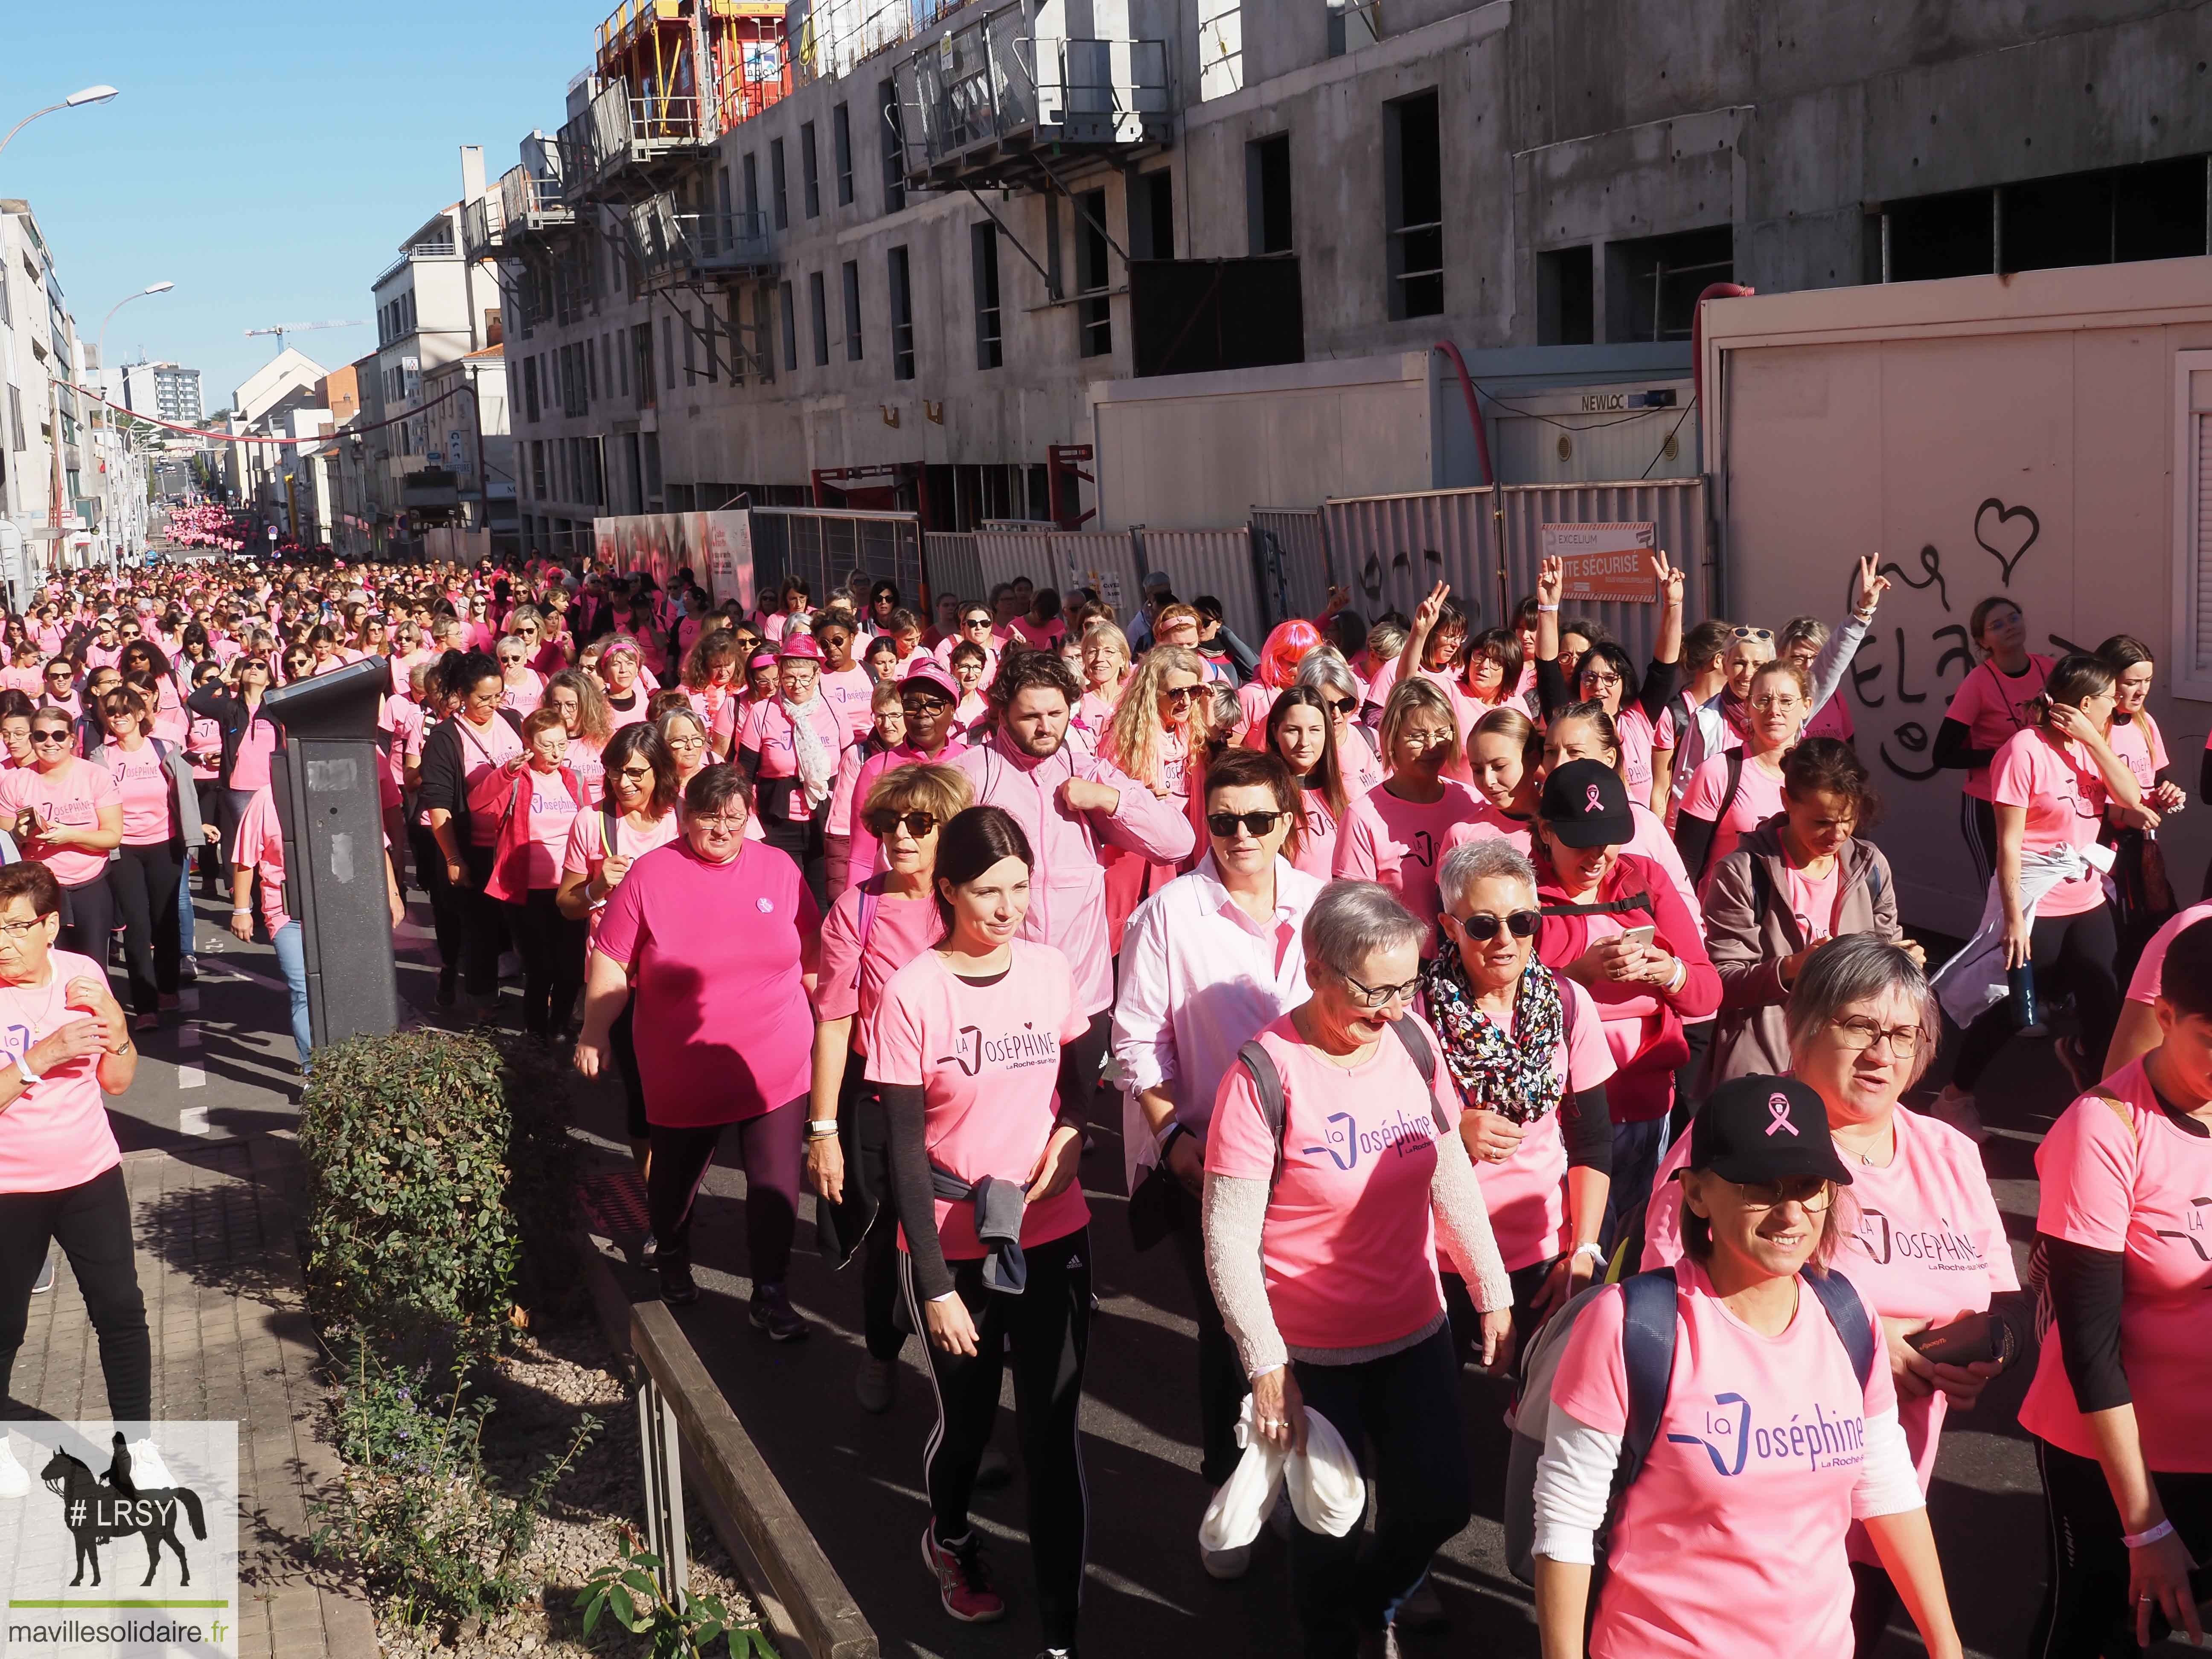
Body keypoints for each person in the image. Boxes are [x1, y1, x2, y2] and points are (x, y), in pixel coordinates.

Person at [1639, 937, 2020, 1653]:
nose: (1881, 1051)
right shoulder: (1737, 1140)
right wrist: (1874, 1343)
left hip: (1886, 1500)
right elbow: (1676, 1309)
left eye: (1903, 1032)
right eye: (1857, 1026)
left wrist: (1971, 1352)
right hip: (1745, 1504)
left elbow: (1989, 1301)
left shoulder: (1947, 1153)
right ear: (1801, 1026)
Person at [1532, 1073, 1965, 1659]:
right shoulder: (1631, 1326)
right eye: (1761, 1187)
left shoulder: (1848, 1313)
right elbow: (1566, 1523)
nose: (1791, 1213)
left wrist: (1946, 1645)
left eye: (1809, 1186)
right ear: (1697, 1194)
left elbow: (1888, 1490)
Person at [1204, 880, 1513, 1658]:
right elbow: (1228, 1238)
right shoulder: (1260, 1075)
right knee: (1326, 1534)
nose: (1392, 1006)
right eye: (1373, 988)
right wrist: (1266, 1365)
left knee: (1439, 1504)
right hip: (1314, 1355)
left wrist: (1490, 1286)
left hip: (1414, 1331)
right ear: (1315, 971)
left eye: (1407, 982)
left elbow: (1446, 1169)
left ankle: (1367, 1606)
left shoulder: (1411, 1041)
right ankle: (1333, 1639)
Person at [866, 806, 1095, 1653]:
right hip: (951, 1244)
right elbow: (901, 1151)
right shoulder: (913, 992)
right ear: (949, 890)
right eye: (989, 891)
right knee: (967, 1425)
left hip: (1051, 1229)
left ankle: (1063, 1632)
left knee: (1050, 1428)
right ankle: (950, 1535)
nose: (1008, 907)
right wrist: (931, 1287)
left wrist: (1074, 1136)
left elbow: (1079, 1083)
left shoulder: (1048, 968)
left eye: (1020, 888)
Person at [1112, 748, 1323, 1573]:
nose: (1239, 835)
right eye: (1223, 819)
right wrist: (1173, 1140)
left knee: (1302, 1328)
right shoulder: (1169, 914)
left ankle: (1299, 1479)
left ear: (1288, 821)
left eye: (1257, 819)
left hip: (1308, 1162)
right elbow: (1134, 1040)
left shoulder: (1318, 905)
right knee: (1231, 1329)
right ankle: (1227, 1486)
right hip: (1210, 1163)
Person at [2018, 916, 2212, 1657]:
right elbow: (2088, 1345)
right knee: (2095, 1631)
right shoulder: (2102, 1127)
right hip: (2112, 1455)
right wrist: (2144, 1522)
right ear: (2162, 1017)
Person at [576, 764, 819, 1336]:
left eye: (734, 817)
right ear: (685, 817)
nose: (722, 829)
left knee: (777, 1184)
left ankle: (771, 1291)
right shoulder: (650, 876)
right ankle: (674, 1259)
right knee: (675, 1183)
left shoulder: (779, 869)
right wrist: (594, 1031)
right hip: (681, 1063)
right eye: (710, 817)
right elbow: (612, 959)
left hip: (776, 1061)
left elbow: (811, 956)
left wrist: (838, 1027)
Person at [806, 763, 972, 1413]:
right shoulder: (859, 907)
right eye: (886, 823)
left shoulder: (974, 900)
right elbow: (835, 1019)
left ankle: (960, 1397)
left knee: (964, 1241)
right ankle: (881, 1353)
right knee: (891, 1241)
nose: (899, 836)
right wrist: (823, 1132)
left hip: (964, 1103)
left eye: (920, 823)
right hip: (882, 1099)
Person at [952, 650, 1195, 1094]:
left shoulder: (1088, 771)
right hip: (999, 991)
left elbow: (1179, 842)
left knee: (1080, 1124)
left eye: (1056, 713)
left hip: (1083, 994)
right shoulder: (971, 774)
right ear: (1002, 713)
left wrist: (1109, 800)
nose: (1045, 727)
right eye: (1030, 716)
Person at [0, 860, 166, 1499]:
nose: (5, 942)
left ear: (50, 926)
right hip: (11, 1188)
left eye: (18, 928)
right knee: (5, 1323)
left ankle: (139, 1448)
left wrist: (117, 1025)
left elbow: (118, 1080)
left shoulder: (83, 974)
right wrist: (41, 1057)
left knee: (121, 1310)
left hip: (90, 1172)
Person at [1932, 655, 2151, 1134]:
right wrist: (2014, 919)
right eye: (2111, 699)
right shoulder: (2022, 750)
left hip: (2087, 896)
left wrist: (2094, 738)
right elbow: (2007, 843)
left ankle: (2104, 1115)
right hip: (2037, 898)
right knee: (2016, 1009)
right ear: (2087, 702)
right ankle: (1955, 1096)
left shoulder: (2095, 742)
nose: (2119, 706)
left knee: (2105, 1002)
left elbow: (2132, 799)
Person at [1421, 838, 1614, 1354]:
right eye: (1483, 925)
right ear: (1449, 928)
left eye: (1522, 922)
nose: (1504, 940)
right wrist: (1454, 1132)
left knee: (1532, 1420)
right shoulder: (1414, 1012)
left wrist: (1583, 1250)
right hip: (1440, 1263)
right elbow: (1380, 1138)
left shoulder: (1569, 1004)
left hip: (1543, 1252)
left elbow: (1592, 1141)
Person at [1532, 760, 1719, 1240]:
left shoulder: (1646, 879)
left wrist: (1670, 972)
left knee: (1631, 1243)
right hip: (1561, 1116)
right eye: (1582, 839)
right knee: (1571, 1245)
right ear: (1547, 832)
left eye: (1611, 838)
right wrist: (1578, 978)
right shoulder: (1521, 893)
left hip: (1645, 1103)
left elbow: (1707, 993)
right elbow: (1497, 1005)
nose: (1599, 855)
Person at [1699, 738, 1914, 1083]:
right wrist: (1793, 968)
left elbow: (1885, 955)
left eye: (1848, 820)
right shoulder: (1742, 872)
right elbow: (1722, 983)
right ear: (1787, 801)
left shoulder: (1870, 865)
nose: (1837, 835)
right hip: (1765, 1061)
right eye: (1821, 822)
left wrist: (1901, 961)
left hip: (1848, 1064)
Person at [1668, 556, 1888, 824]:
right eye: (1739, 663)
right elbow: (1684, 793)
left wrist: (1861, 614)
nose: (1748, 673)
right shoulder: (1706, 719)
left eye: (1758, 664)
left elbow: (1830, 665)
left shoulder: (1788, 710)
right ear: (1723, 664)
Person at [231, 780, 404, 1068]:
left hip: (344, 908)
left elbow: (376, 847)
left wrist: (393, 895)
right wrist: (241, 910)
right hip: (287, 911)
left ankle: (353, 1069)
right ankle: (315, 1073)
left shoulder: (345, 791)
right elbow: (245, 858)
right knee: (305, 992)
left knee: (348, 990)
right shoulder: (266, 797)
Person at [89, 689, 208, 1031]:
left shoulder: (163, 750)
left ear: (141, 714)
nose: (118, 717)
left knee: (165, 919)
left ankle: (168, 986)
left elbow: (184, 795)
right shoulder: (101, 757)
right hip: (123, 848)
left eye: (126, 711)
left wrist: (194, 835)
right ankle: (145, 1006)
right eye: (111, 712)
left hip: (165, 844)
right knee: (138, 925)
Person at [1531, 550, 1686, 812]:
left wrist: (1673, 604)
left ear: (1624, 683)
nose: (1598, 686)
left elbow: (1664, 667)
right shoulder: (1565, 720)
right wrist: (1548, 607)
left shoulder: (1639, 720)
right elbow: (1547, 668)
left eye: (1609, 678)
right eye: (1589, 677)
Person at [1334, 678, 1487, 937]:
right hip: (1402, 967)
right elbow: (1354, 916)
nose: (1432, 746)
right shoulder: (1362, 818)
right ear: (1392, 739)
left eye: (1442, 733)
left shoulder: (1472, 802)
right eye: (1417, 736)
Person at [419, 651, 525, 1021]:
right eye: (484, 698)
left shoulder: (512, 720)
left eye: (499, 695)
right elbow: (439, 805)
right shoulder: (446, 738)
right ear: (463, 695)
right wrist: (453, 858)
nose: (494, 705)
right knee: (479, 930)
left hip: (514, 844)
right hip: (474, 848)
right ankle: (483, 1007)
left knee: (516, 926)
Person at [471, 706, 588, 1040]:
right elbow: (478, 803)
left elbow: (590, 829)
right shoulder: (518, 780)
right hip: (526, 891)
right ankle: (536, 1036)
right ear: (529, 745)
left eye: (562, 744)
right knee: (540, 970)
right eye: (547, 745)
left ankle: (560, 1026)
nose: (556, 753)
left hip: (570, 888)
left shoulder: (575, 780)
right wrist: (506, 772)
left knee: (571, 969)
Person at [1935, 595, 2056, 888]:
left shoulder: (2050, 669)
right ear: (1983, 640)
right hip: (1989, 803)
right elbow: (1943, 754)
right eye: (1997, 625)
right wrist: (2004, 756)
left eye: (2014, 618)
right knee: (2001, 895)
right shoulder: (1978, 683)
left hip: (2042, 800)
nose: (2010, 627)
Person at [1099, 644, 1212, 943]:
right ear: (1153, 693)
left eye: (1194, 691)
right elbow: (1105, 800)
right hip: (1141, 861)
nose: (1186, 701)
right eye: (1176, 693)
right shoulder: (1123, 736)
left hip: (1190, 854)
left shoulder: (1195, 732)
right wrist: (1138, 796)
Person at [0, 706, 123, 962]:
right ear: (32, 739)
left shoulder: (95, 776)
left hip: (91, 882)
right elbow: (7, 840)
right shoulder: (15, 782)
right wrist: (20, 834)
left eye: (58, 736)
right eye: (41, 735)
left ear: (72, 740)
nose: (49, 742)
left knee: (93, 963)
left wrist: (70, 836)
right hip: (39, 887)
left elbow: (112, 836)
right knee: (47, 964)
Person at [2096, 634, 2186, 981]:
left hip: (2144, 849)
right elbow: (2076, 800)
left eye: (2147, 681)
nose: (2141, 691)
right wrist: (2123, 813)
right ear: (2107, 680)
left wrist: (2168, 793)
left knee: (2157, 931)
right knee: (2115, 942)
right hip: (2103, 853)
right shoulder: (2093, 730)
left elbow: (2156, 779)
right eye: (2131, 682)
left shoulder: (2145, 723)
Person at [1674, 658, 1809, 886]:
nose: (1774, 711)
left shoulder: (1818, 776)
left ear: (1806, 706)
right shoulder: (1717, 773)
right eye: (1763, 701)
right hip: (1726, 917)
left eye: (1786, 701)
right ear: (1747, 706)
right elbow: (1686, 865)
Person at [738, 633, 843, 909]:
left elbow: (849, 771)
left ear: (818, 675)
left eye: (805, 677)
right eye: (789, 677)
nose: (797, 685)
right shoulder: (762, 712)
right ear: (780, 675)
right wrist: (749, 825)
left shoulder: (834, 711)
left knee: (822, 905)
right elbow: (743, 776)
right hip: (777, 823)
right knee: (786, 904)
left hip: (823, 822)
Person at [1267, 686, 1357, 880]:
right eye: (1293, 731)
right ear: (1275, 732)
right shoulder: (1263, 797)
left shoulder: (1346, 791)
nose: (1304, 742)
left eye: (1315, 730)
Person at [1295, 651, 1384, 796]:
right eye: (1327, 706)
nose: (1336, 715)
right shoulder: (1302, 753)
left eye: (1346, 704)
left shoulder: (1371, 738)